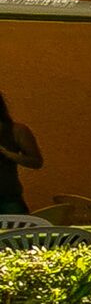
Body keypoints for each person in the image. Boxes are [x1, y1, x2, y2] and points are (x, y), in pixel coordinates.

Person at [0, 85, 37, 215]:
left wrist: (8, 154)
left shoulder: (17, 130)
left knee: (17, 233)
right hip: (9, 198)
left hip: (8, 197)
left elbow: (36, 162)